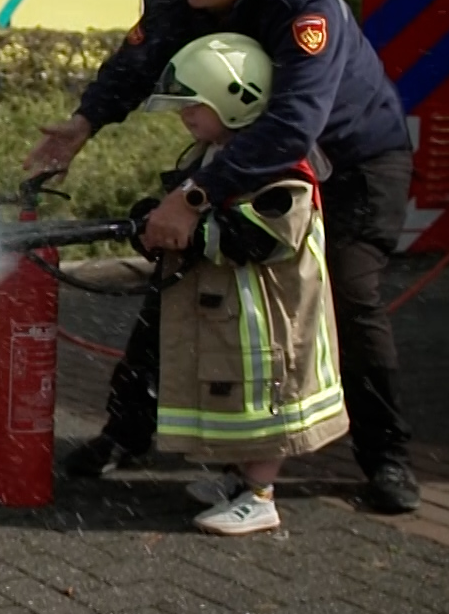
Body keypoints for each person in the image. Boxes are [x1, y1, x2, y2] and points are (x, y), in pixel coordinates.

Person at [29, 0, 421, 515]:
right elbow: (130, 68)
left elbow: (293, 126)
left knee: (348, 300)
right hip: (239, 157)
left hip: (354, 165)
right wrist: (81, 125)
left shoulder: (305, 9)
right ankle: (127, 433)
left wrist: (191, 197)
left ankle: (386, 456)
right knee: (175, 280)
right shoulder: (175, 3)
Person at [131, 32, 350, 535]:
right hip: (229, 315)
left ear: (234, 98)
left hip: (264, 321)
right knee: (233, 396)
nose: (185, 116)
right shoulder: (216, 153)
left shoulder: (278, 165)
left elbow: (258, 237)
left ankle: (260, 496)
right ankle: (238, 481)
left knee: (265, 403)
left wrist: (187, 231)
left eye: (194, 106)